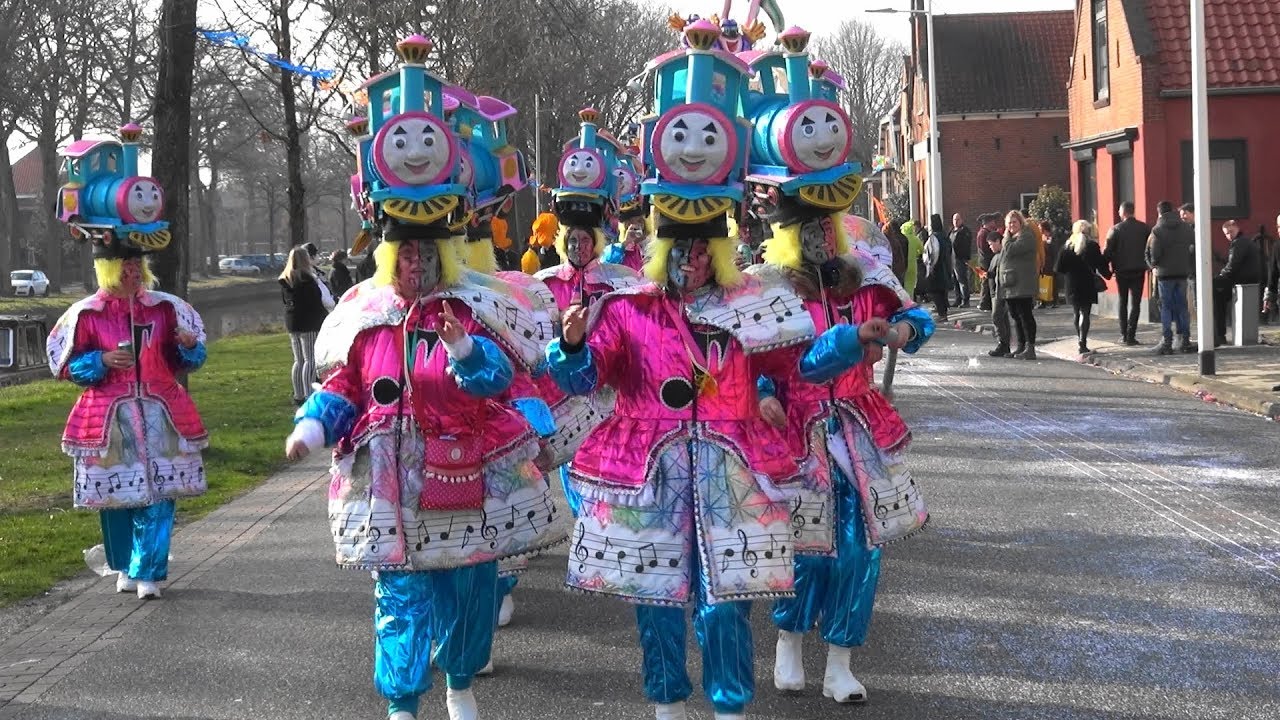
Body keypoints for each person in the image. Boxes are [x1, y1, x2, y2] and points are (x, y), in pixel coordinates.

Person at [546, 205, 875, 720]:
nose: (691, 260)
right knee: (655, 602)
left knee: (728, 603)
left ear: (717, 254)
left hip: (732, 474)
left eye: (702, 250)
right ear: (661, 252)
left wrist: (849, 340)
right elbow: (584, 381)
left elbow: (801, 365)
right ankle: (668, 706)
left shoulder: (750, 307)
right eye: (681, 249)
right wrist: (568, 347)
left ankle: (730, 708)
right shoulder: (628, 309)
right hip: (650, 479)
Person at [285, 219, 565, 720]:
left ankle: (460, 684)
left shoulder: (470, 310)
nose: (418, 261)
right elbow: (346, 386)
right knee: (399, 593)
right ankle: (402, 703)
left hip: (465, 470)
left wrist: (462, 348)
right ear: (392, 258)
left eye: (428, 252)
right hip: (391, 482)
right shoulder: (366, 318)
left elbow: (502, 378)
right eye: (407, 252)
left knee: (468, 587)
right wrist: (311, 428)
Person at [755, 195, 934, 705]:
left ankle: (840, 661)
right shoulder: (772, 289)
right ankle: (788, 642)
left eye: (825, 226)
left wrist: (901, 330)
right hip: (797, 431)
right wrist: (765, 395)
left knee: (860, 550)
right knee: (804, 546)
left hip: (857, 428)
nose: (820, 238)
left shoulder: (867, 281)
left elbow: (918, 318)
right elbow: (760, 360)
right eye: (807, 228)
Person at [47, 236, 210, 601]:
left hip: (162, 413)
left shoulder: (165, 310)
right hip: (108, 417)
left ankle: (148, 572)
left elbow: (191, 361)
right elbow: (68, 367)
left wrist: (187, 346)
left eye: (138, 268)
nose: (133, 274)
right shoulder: (87, 315)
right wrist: (100, 361)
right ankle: (124, 565)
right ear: (108, 270)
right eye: (125, 269)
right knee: (117, 499)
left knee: (160, 496)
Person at [279, 245, 334, 405]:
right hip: (309, 323)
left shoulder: (285, 279)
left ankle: (298, 394)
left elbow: (285, 301)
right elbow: (316, 302)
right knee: (310, 359)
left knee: (298, 360)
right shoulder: (308, 280)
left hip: (292, 321)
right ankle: (309, 394)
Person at [1146, 200, 1196, 355]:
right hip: (1182, 272)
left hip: (1164, 274)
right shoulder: (1186, 228)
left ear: (1159, 212)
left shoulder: (1157, 230)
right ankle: (1184, 340)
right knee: (1182, 306)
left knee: (1166, 307)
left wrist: (1153, 265)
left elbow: (1154, 254)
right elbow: (1193, 248)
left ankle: (1167, 341)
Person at [1055, 220, 1111, 354]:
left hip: (1072, 284)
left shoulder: (1066, 246)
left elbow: (1058, 268)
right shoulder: (1092, 246)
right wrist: (1109, 274)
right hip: (1087, 283)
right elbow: (1100, 263)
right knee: (1085, 312)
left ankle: (1079, 340)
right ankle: (1083, 342)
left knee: (1076, 312)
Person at [1103, 201, 1151, 345]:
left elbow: (1108, 251)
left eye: (1119, 210)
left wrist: (1106, 268)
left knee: (1122, 301)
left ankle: (1124, 334)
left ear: (1123, 212)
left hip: (1122, 270)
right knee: (1136, 303)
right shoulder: (1144, 228)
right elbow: (1150, 247)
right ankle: (1131, 334)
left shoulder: (1115, 229)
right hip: (1139, 270)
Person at [1213, 219, 1262, 346]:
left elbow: (1233, 265)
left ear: (1237, 228)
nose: (1229, 235)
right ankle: (1219, 333)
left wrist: (1220, 275)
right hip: (1247, 277)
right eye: (1226, 234)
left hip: (1242, 278)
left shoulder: (1239, 243)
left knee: (1216, 294)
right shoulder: (1243, 241)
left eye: (1231, 232)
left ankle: (1219, 334)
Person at [1001, 210, 1040, 360]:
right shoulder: (1011, 238)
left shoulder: (1026, 236)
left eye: (1014, 222)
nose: (1011, 226)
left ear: (1020, 222)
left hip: (1023, 284)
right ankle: (1020, 346)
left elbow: (1011, 250)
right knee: (1016, 316)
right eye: (1009, 223)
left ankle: (1030, 347)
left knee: (1025, 315)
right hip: (1010, 284)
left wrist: (1005, 238)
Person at [986, 233, 1013, 357]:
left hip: (999, 291)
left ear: (998, 241)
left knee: (997, 316)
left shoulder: (1002, 255)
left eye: (991, 244)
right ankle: (1005, 344)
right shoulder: (996, 256)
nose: (990, 247)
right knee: (1003, 318)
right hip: (995, 290)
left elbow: (1000, 273)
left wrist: (989, 275)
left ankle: (1003, 343)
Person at [923, 214, 952, 321]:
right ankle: (944, 313)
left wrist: (930, 267)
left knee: (936, 292)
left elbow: (931, 253)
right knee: (942, 291)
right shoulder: (945, 236)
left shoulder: (933, 238)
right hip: (945, 266)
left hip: (936, 268)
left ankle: (942, 314)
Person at [975, 214, 999, 312]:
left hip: (986, 261)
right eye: (992, 221)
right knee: (986, 283)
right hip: (986, 262)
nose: (994, 223)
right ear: (988, 223)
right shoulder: (983, 234)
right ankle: (984, 303)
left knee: (987, 282)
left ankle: (986, 303)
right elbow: (984, 249)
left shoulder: (985, 232)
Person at [950, 212, 973, 307]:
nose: (956, 221)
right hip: (952, 259)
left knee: (962, 280)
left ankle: (965, 300)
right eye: (954, 220)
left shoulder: (964, 231)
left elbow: (966, 246)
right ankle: (958, 299)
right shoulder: (952, 231)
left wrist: (965, 258)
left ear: (961, 220)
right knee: (955, 280)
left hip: (960, 259)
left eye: (958, 219)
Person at [900, 219, 923, 299]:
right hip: (913, 265)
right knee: (911, 285)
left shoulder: (902, 239)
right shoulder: (915, 239)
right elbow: (922, 250)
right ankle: (911, 299)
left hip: (903, 265)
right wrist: (916, 254)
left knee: (904, 284)